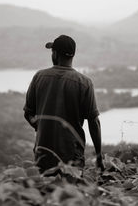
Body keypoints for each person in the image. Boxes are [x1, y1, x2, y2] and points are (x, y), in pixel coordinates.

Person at [23, 34, 104, 174]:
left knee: (45, 194)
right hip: (72, 157)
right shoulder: (84, 82)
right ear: (72, 56)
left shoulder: (39, 77)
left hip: (43, 154)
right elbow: (93, 122)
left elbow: (28, 113)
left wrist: (40, 126)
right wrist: (99, 156)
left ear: (55, 54)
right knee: (70, 194)